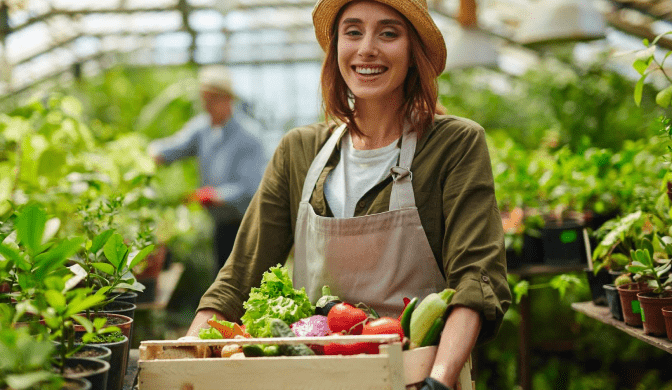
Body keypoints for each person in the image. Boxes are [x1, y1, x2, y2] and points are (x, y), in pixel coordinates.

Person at [184, 0, 511, 388]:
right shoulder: (299, 151)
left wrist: (438, 380)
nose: (367, 48)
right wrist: (186, 355)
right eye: (352, 32)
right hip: (311, 377)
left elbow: (477, 278)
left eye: (388, 33)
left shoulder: (453, 145)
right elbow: (239, 278)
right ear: (336, 47)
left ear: (413, 51)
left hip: (416, 375)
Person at [148, 65, 266, 272]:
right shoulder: (203, 129)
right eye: (204, 99)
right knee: (222, 276)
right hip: (221, 223)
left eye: (212, 100)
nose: (206, 106)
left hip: (246, 225)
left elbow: (251, 186)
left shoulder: (249, 137)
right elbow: (175, 147)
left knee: (243, 280)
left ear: (227, 100)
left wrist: (215, 195)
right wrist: (148, 153)